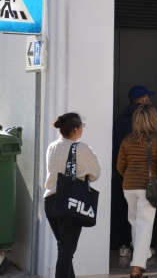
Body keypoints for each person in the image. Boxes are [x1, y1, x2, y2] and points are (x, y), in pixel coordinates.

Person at [44, 113, 101, 278]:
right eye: (82, 126)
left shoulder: (52, 146)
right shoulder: (80, 148)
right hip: (69, 202)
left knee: (65, 248)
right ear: (76, 129)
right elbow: (96, 173)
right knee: (67, 250)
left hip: (50, 201)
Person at [116, 104, 157, 278]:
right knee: (144, 225)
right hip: (147, 186)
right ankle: (136, 267)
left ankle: (143, 254)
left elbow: (120, 166)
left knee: (135, 222)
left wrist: (129, 177)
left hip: (129, 186)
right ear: (154, 119)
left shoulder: (127, 139)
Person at [112, 85, 155, 257]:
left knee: (126, 210)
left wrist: (121, 170)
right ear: (143, 99)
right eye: (148, 97)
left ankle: (123, 245)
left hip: (124, 174)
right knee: (144, 214)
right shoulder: (148, 120)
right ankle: (141, 249)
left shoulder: (119, 120)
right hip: (145, 174)